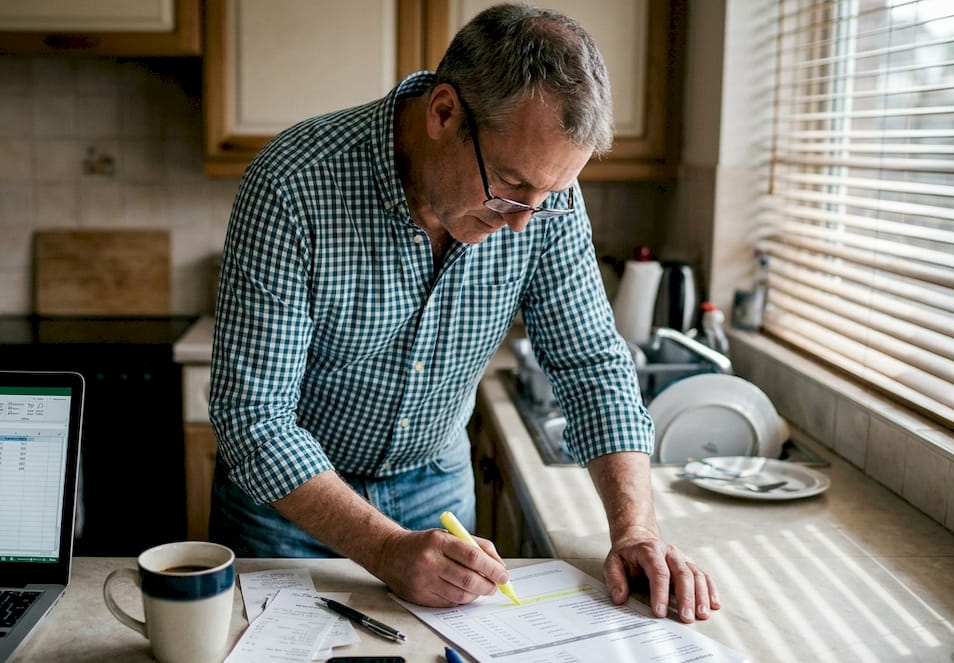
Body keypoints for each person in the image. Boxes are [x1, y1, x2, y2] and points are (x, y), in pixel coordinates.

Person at [208, 3, 718, 623]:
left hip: (437, 493)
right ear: (444, 114)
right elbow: (254, 418)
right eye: (509, 184)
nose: (524, 221)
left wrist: (635, 529)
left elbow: (591, 363)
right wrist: (384, 548)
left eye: (548, 196)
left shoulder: (541, 193)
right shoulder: (293, 185)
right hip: (288, 510)